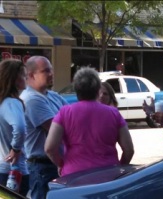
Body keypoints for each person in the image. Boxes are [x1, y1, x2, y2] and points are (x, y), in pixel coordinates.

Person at [44, 67, 134, 177]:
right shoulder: (114, 113)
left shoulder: (64, 113)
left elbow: (49, 148)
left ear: (76, 89)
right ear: (97, 90)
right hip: (108, 175)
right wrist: (119, 168)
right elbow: (129, 149)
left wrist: (61, 164)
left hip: (74, 175)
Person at [20, 56, 68, 199]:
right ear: (31, 75)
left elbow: (74, 119)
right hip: (43, 167)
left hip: (55, 164)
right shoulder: (31, 99)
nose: (51, 73)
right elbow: (57, 129)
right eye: (46, 71)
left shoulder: (52, 95)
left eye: (51, 70)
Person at [0, 59, 29, 196]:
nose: (27, 78)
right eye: (24, 75)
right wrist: (16, 148)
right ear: (15, 79)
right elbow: (20, 127)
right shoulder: (12, 102)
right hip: (13, 170)